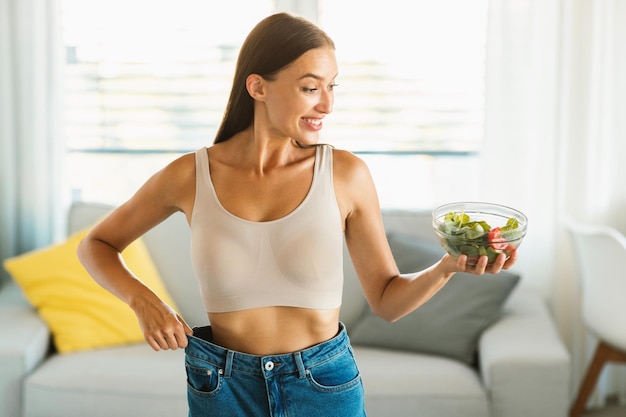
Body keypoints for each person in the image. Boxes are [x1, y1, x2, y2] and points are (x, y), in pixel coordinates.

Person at [77, 12, 518, 417]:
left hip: (323, 383)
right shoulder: (189, 176)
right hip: (221, 386)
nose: (327, 105)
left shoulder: (345, 174)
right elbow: (96, 244)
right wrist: (143, 300)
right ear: (258, 87)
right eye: (311, 87)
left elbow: (387, 301)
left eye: (332, 87)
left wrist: (447, 267)